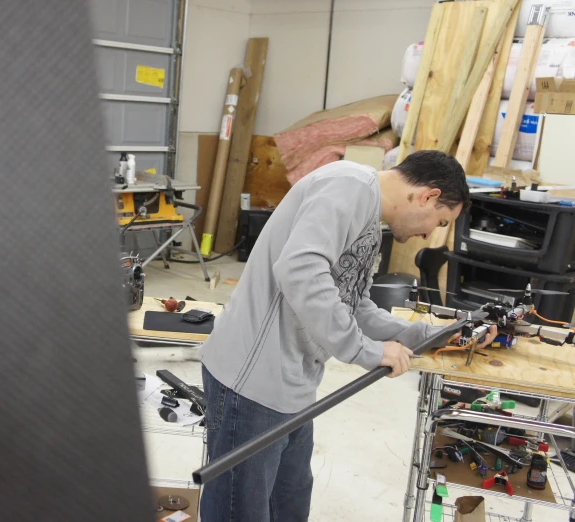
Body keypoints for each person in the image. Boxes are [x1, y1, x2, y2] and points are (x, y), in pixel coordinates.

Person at [198, 150, 497, 522]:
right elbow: (300, 270)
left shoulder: (370, 222)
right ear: (428, 196)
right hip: (253, 383)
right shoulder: (348, 186)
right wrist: (363, 350)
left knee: (288, 506)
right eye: (439, 222)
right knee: (239, 512)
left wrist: (427, 335)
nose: (427, 234)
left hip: (294, 387)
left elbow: (354, 305)